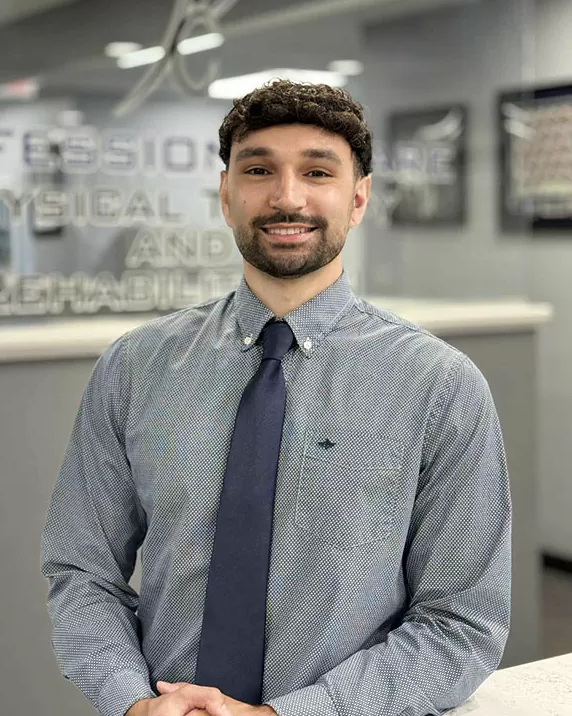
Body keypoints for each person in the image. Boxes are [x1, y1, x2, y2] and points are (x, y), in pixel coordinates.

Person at [40, 81, 511, 716]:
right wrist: (132, 700)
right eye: (259, 170)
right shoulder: (135, 368)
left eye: (318, 172)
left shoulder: (439, 386)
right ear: (226, 195)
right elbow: (81, 572)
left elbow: (461, 625)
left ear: (358, 198)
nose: (287, 197)